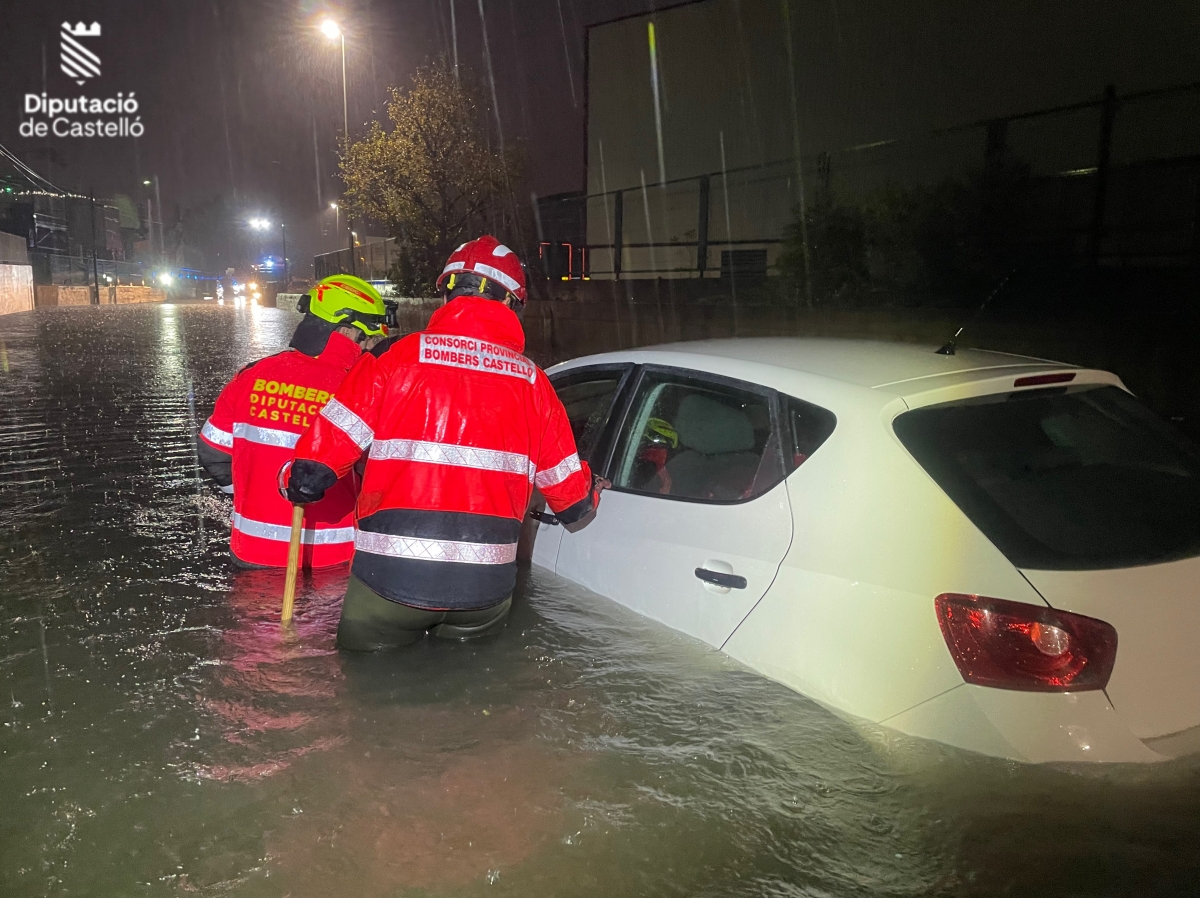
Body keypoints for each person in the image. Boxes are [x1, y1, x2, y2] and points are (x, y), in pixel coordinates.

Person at [283, 236, 605, 650]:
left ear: (449, 293)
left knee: (367, 690)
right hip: (485, 584)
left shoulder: (396, 355)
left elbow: (323, 457)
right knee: (467, 692)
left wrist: (305, 473)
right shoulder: (533, 382)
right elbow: (571, 500)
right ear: (510, 303)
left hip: (391, 574)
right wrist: (593, 487)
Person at [197, 274, 388, 568]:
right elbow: (380, 473)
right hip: (333, 557)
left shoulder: (252, 374)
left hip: (252, 551)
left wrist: (251, 498)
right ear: (348, 331)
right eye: (368, 336)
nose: (369, 345)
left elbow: (213, 453)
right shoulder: (360, 388)